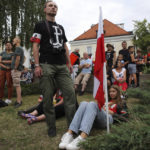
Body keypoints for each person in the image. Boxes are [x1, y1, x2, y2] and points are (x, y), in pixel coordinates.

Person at [30, 0, 76, 137]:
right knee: (48, 97)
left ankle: (72, 127)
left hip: (62, 65)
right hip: (46, 64)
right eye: (50, 5)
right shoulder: (39, 25)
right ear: (44, 9)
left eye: (55, 6)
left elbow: (65, 46)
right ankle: (51, 126)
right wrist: (37, 65)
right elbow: (35, 46)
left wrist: (69, 63)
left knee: (70, 94)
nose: (53, 7)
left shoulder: (61, 27)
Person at [59, 85, 127, 150]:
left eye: (114, 91)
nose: (111, 93)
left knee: (92, 104)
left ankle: (83, 137)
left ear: (118, 92)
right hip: (98, 119)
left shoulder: (121, 102)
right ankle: (69, 133)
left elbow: (124, 117)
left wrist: (111, 112)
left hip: (109, 119)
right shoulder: (107, 101)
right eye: (110, 91)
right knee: (84, 103)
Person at [11, 37, 24, 108]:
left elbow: (18, 58)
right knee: (17, 85)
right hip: (17, 69)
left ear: (17, 41)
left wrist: (15, 67)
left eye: (13, 40)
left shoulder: (18, 48)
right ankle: (19, 99)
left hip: (16, 69)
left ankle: (19, 101)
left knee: (17, 85)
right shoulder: (19, 48)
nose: (12, 41)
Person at [0, 41, 14, 106]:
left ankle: (9, 98)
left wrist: (3, 61)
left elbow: (12, 61)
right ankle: (0, 98)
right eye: (7, 45)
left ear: (11, 46)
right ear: (5, 46)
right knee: (1, 84)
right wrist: (5, 66)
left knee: (9, 84)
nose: (8, 46)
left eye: (9, 45)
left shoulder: (13, 54)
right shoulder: (2, 53)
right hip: (2, 70)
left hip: (9, 70)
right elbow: (0, 62)